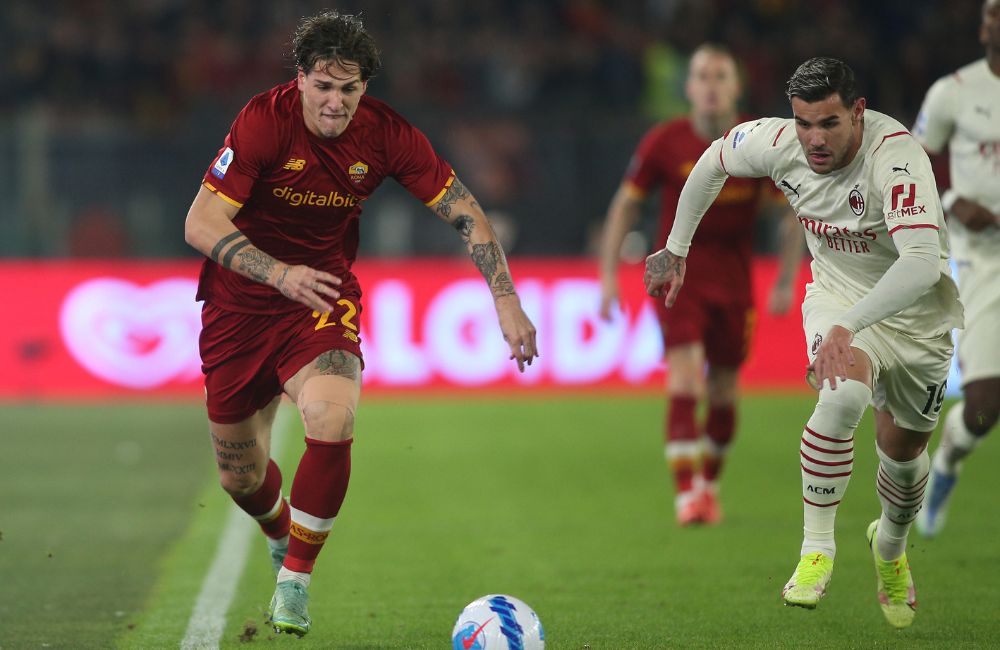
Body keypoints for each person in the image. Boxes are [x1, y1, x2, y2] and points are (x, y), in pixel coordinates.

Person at [183, 11, 537, 637]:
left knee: (333, 415)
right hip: (240, 306)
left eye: (349, 89)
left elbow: (466, 214)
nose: (335, 102)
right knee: (239, 477)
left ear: (364, 89)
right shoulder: (264, 121)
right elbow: (200, 223)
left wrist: (505, 298)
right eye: (324, 86)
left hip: (321, 297)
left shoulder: (387, 135)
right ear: (300, 80)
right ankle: (277, 531)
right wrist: (278, 273)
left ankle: (294, 581)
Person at [643, 57, 963, 629]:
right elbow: (713, 161)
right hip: (837, 299)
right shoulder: (776, 140)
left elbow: (918, 266)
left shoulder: (897, 157)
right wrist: (677, 247)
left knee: (906, 457)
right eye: (804, 123)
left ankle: (889, 547)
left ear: (858, 112)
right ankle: (817, 550)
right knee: (840, 397)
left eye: (829, 124)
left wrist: (853, 324)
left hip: (915, 317)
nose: (814, 139)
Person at [599, 43, 802, 526]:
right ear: (688, 88)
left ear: (736, 86)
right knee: (686, 378)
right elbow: (624, 206)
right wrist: (608, 277)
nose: (711, 85)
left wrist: (786, 280)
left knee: (726, 390)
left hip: (735, 281)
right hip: (679, 277)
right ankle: (687, 495)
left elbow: (792, 214)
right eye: (702, 77)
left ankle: (708, 484)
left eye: (720, 76)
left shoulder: (758, 141)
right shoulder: (664, 141)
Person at [912, 0, 1000, 538]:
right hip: (982, 256)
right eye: (990, 12)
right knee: (986, 405)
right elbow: (910, 164)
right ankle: (948, 459)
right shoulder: (954, 92)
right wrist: (950, 198)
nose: (992, 20)